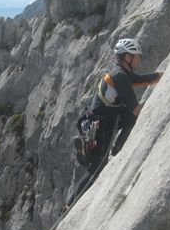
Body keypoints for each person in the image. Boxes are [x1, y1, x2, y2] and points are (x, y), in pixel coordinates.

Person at [69, 38, 163, 205]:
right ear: (127, 57)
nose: (139, 59)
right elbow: (136, 109)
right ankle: (70, 205)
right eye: (137, 56)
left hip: (106, 116)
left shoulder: (121, 72)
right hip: (102, 124)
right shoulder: (120, 76)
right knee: (97, 167)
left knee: (130, 117)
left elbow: (139, 79)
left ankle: (117, 148)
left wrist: (159, 76)